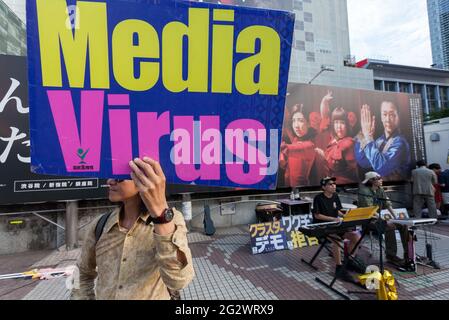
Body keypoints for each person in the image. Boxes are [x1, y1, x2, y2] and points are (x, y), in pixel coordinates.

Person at [71, 157, 194, 300]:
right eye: (110, 175)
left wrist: (160, 213)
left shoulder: (169, 221)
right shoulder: (100, 225)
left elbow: (178, 281)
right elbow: (82, 273)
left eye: (119, 178)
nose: (109, 181)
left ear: (143, 179)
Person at [312, 177, 363, 281]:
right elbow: (317, 216)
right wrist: (333, 219)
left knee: (356, 236)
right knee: (337, 240)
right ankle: (339, 268)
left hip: (336, 225)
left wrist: (345, 216)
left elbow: (337, 210)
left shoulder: (335, 196)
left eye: (334, 184)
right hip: (323, 226)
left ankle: (349, 261)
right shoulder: (318, 198)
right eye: (330, 184)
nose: (334, 186)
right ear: (323, 187)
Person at [358, 171, 409, 266]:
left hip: (378, 217)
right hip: (368, 219)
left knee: (403, 225)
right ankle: (391, 255)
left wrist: (397, 218)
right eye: (379, 178)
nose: (381, 180)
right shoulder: (364, 191)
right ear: (371, 181)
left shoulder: (380, 189)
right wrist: (383, 219)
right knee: (389, 226)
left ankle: (409, 253)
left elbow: (387, 204)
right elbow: (370, 210)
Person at [355, 101, 411, 181]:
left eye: (392, 114)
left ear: (398, 116)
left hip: (397, 189)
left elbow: (382, 167)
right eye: (384, 114)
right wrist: (363, 135)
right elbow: (364, 162)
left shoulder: (400, 142)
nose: (387, 119)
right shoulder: (380, 140)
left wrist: (368, 137)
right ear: (381, 117)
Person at [280, 104, 328, 187]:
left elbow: (286, 148)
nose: (296, 125)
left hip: (304, 193)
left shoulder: (309, 145)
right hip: (289, 192)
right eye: (294, 121)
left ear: (309, 123)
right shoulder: (295, 141)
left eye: (300, 120)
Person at [325, 107, 358, 184]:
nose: (339, 127)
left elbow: (333, 165)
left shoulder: (348, 142)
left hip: (346, 186)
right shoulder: (334, 141)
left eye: (342, 123)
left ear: (347, 124)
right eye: (336, 122)